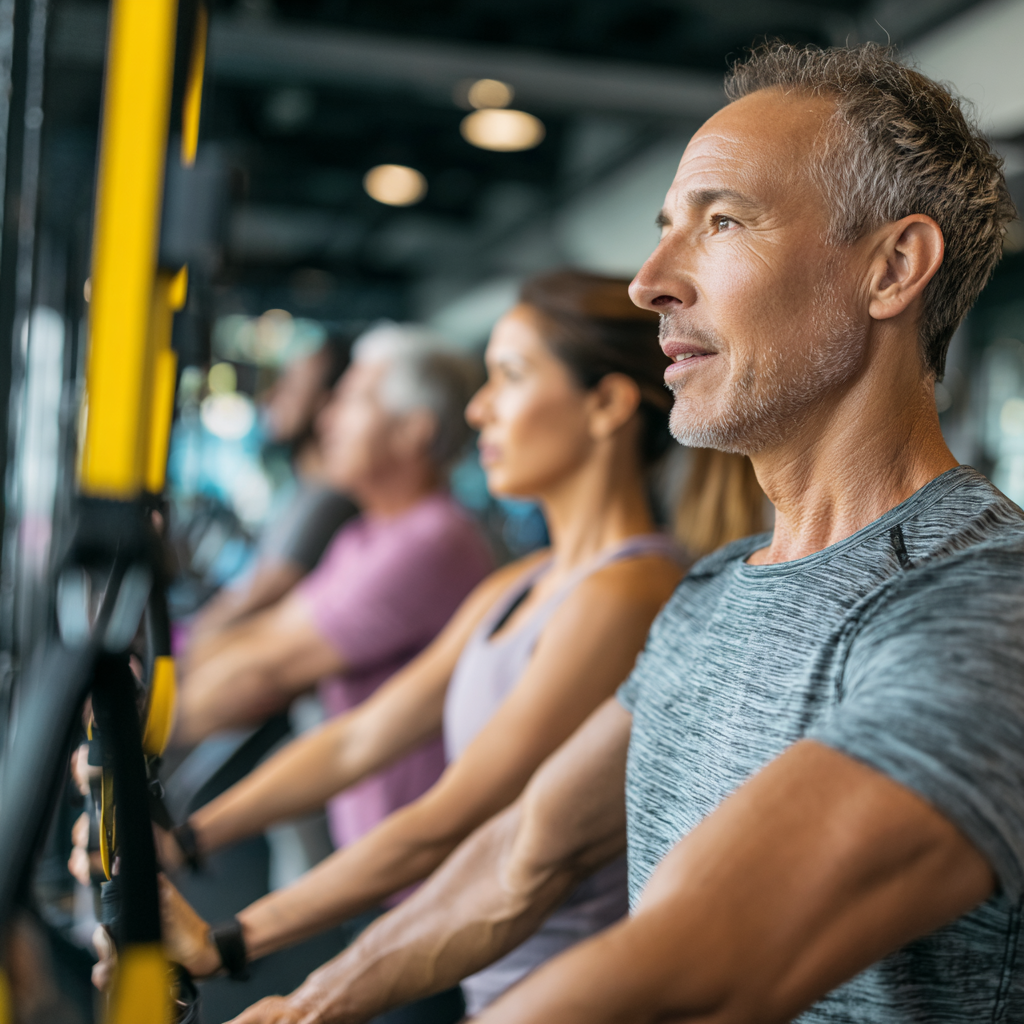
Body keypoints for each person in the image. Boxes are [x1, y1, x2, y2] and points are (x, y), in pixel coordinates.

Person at [221, 42, 1024, 1024]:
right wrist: (274, 982)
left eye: (722, 221)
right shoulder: (712, 590)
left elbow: (701, 955)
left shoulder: (985, 606)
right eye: (664, 229)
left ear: (893, 267)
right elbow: (526, 855)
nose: (649, 281)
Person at [150, 270, 726, 1015]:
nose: (479, 410)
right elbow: (358, 738)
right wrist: (187, 835)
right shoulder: (517, 585)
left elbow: (449, 820)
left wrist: (232, 939)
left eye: (509, 377)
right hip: (485, 985)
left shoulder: (627, 593)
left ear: (607, 405)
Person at [171, 325, 494, 869]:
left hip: (417, 870)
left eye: (353, 400)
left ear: (414, 431)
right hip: (373, 850)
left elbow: (266, 674)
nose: (327, 419)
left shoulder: (432, 540)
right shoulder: (363, 535)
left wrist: (138, 728)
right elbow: (266, 634)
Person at [183, 338, 355, 659]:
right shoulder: (302, 490)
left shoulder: (328, 499)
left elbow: (260, 597)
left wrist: (179, 648)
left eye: (291, 386)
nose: (272, 396)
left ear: (327, 402)